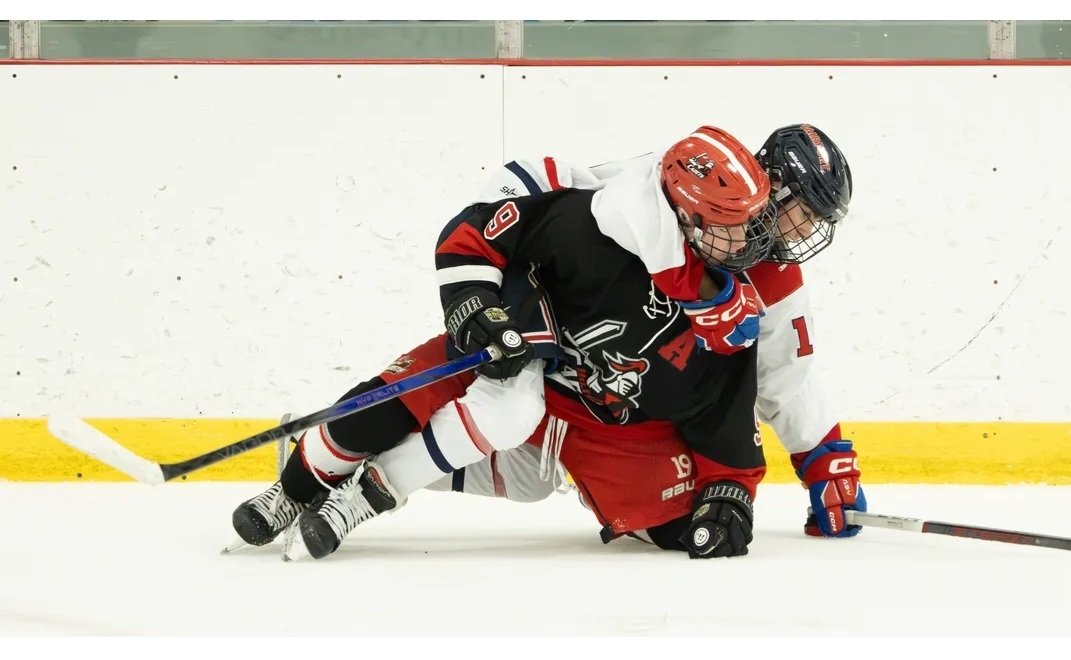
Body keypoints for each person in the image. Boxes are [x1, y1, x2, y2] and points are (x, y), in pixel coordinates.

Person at [231, 124, 862, 559]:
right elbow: (540, 192)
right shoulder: (648, 198)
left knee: (551, 485)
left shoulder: (764, 275)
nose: (801, 232)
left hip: (614, 401)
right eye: (800, 211)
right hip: (539, 334)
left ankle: (378, 474)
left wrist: (818, 458)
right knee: (493, 405)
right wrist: (476, 294)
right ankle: (333, 467)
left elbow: (781, 377)